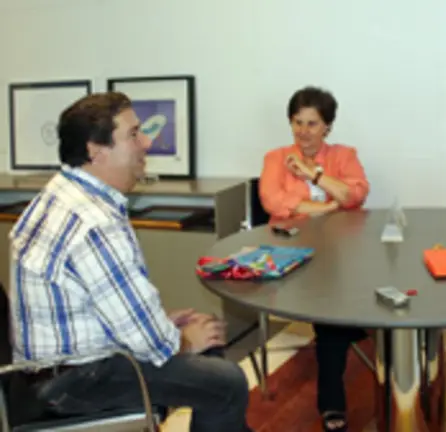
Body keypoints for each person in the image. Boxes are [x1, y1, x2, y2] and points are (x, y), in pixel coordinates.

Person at [8, 92, 253, 432]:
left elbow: (100, 307)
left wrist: (164, 325)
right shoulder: (94, 222)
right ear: (96, 150)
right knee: (226, 381)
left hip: (44, 374)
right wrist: (182, 341)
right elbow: (152, 344)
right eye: (134, 134)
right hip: (73, 385)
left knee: (204, 355)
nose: (147, 142)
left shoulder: (59, 193)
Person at [258, 86, 369, 431]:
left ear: (327, 127)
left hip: (341, 251)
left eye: (312, 123)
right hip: (290, 254)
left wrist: (314, 175)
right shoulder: (276, 158)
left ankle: (348, 327)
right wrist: (326, 208)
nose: (304, 131)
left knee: (350, 291)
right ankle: (332, 401)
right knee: (330, 315)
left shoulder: (343, 155)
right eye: (297, 122)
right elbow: (273, 202)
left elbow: (357, 194)